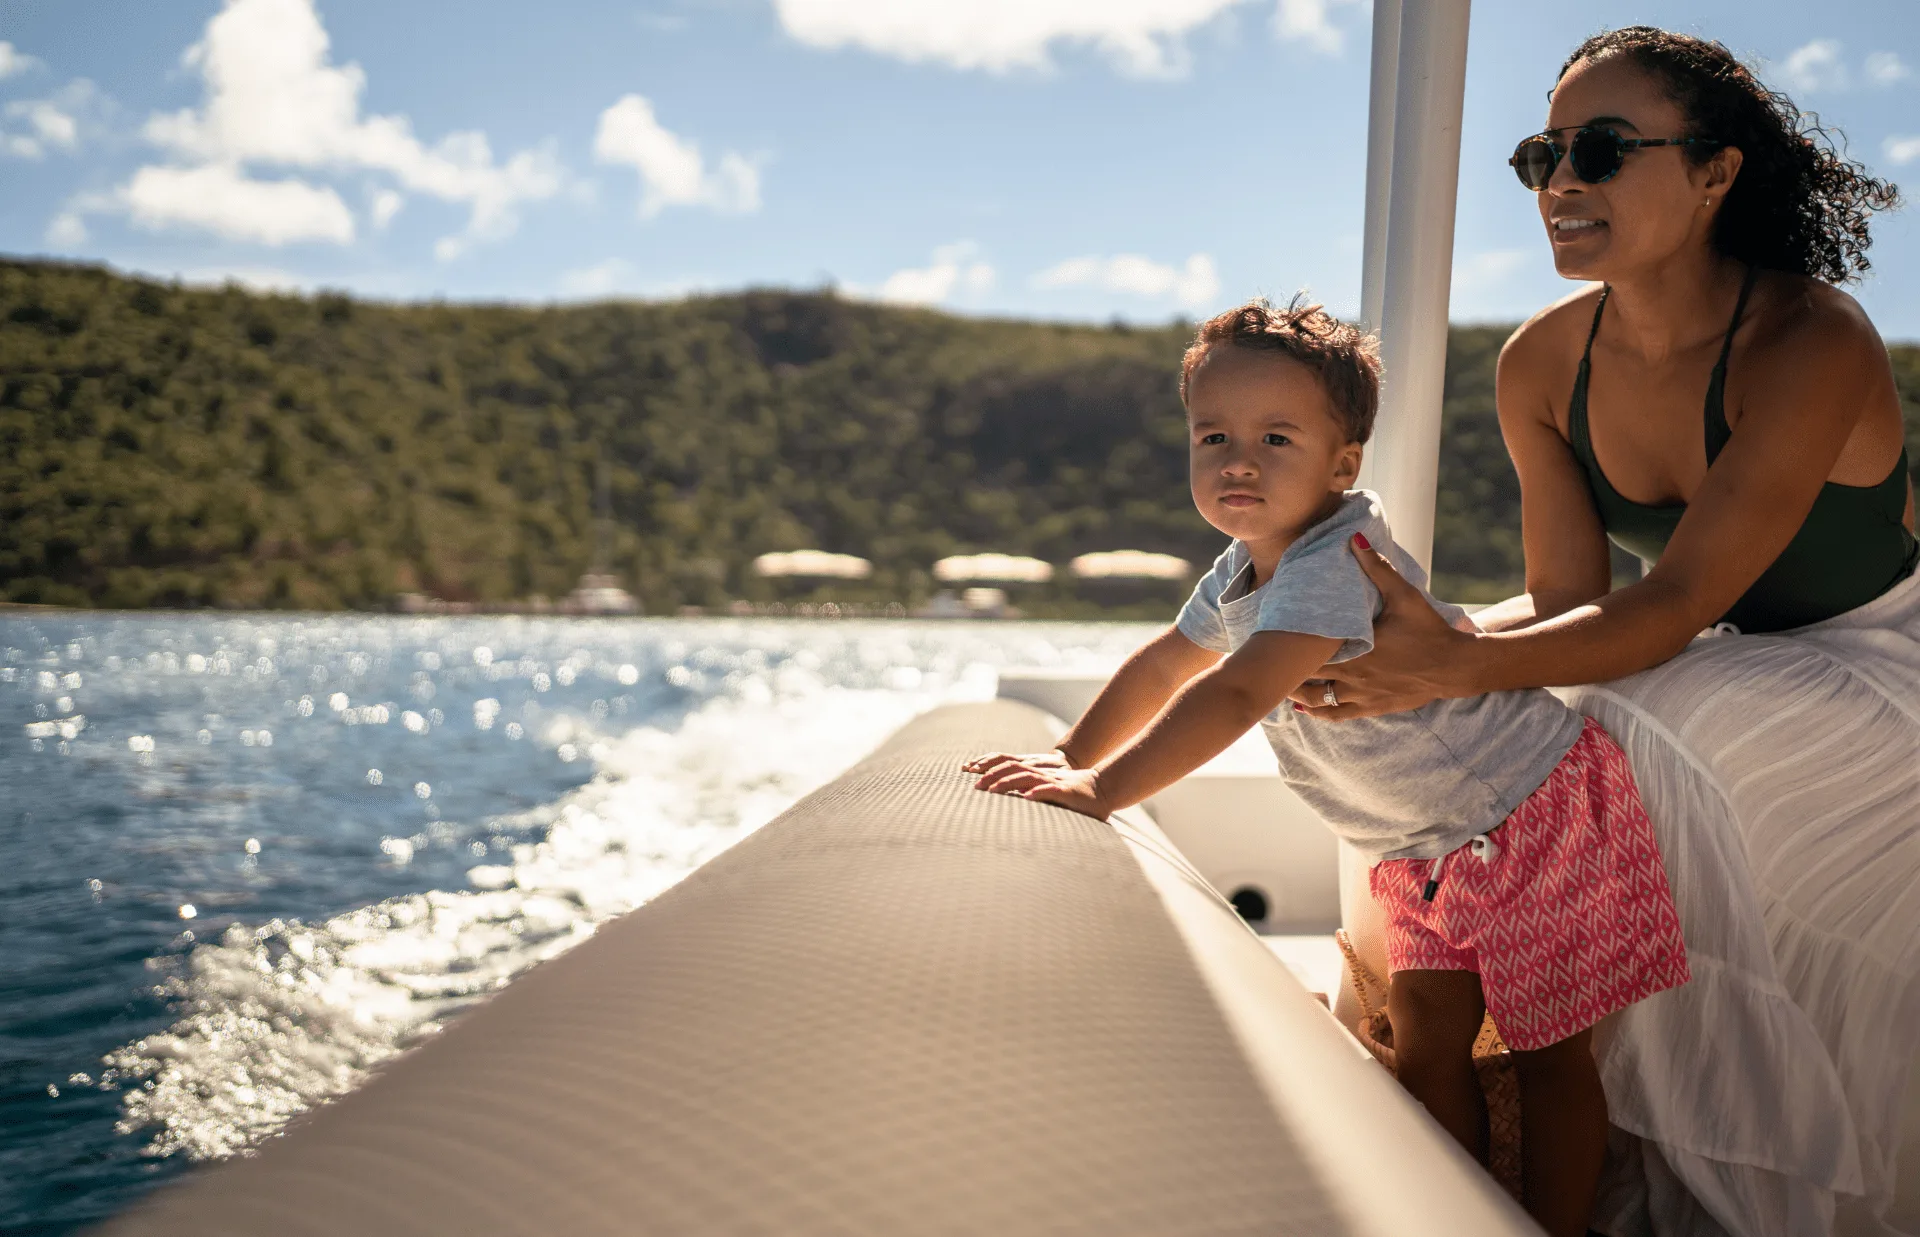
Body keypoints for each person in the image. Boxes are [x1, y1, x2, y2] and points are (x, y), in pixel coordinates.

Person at [1289, 28, 1919, 1237]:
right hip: (1710, 644)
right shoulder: (1540, 361)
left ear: (1717, 174)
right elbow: (1576, 598)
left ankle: (1629, 1139)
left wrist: (1464, 658)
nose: (1560, 182)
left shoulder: (1811, 340)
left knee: (1626, 729)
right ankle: (1444, 1034)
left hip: (1875, 659)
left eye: (1603, 149)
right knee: (1471, 716)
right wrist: (1428, 654)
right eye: (1543, 155)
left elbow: (1671, 607)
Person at [964, 298, 1689, 1237]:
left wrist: (1103, 790)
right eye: (1213, 435)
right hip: (1424, 843)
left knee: (1551, 1055)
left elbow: (1232, 693)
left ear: (1341, 464)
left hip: (1528, 811)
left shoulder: (1329, 564)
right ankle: (1460, 1214)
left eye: (1276, 437)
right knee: (1426, 1048)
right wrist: (1069, 752)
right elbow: (1164, 662)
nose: (1238, 460)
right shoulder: (1239, 568)